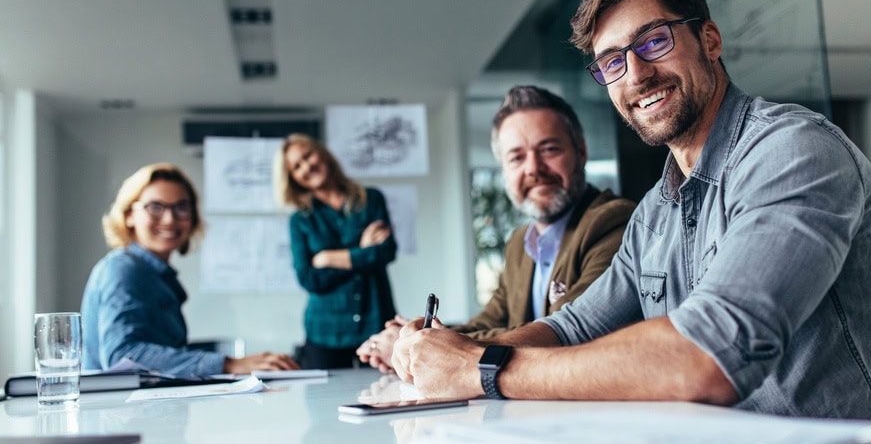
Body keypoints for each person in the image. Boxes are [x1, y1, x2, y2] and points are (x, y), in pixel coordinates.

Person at [392, 0, 871, 422]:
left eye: (653, 42)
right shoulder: (656, 211)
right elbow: (574, 326)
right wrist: (453, 352)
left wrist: (481, 369)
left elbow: (708, 357)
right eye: (612, 62)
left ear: (709, 39)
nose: (635, 74)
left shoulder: (793, 152)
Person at [356, 86, 636, 372]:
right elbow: (491, 321)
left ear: (581, 151)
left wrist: (422, 346)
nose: (533, 168)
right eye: (516, 157)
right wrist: (420, 337)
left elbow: (566, 329)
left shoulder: (612, 222)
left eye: (549, 149)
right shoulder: (520, 243)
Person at [81, 163, 299, 377]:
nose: (170, 219)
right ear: (129, 215)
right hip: (117, 411)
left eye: (181, 208)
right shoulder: (123, 270)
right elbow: (123, 356)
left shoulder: (155, 274)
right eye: (155, 207)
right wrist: (228, 364)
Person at [274, 133, 398, 369]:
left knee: (385, 396)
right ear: (292, 178)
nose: (306, 166)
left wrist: (328, 258)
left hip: (376, 323)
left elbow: (385, 253)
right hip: (325, 332)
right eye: (296, 166)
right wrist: (361, 250)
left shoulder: (371, 199)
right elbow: (309, 278)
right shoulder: (300, 220)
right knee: (324, 404)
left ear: (321, 153)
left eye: (307, 155)